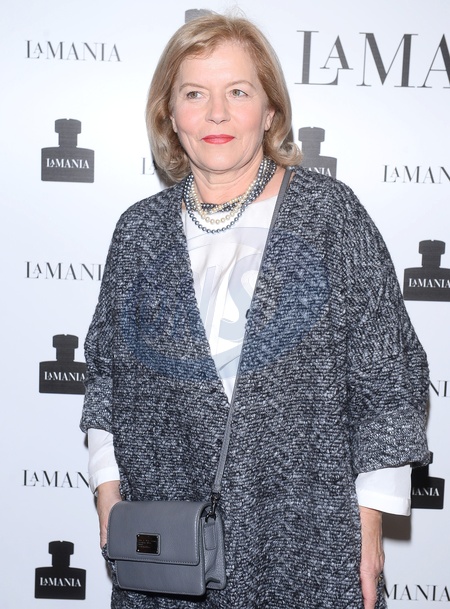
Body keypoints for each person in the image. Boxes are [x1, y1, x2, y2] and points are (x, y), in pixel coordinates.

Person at [80, 12, 430, 609]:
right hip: (170, 557)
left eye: (238, 92)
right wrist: (108, 495)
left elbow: (389, 381)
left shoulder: (329, 216)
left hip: (310, 546)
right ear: (169, 114)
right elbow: (105, 378)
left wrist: (369, 529)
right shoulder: (138, 232)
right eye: (195, 94)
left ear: (270, 112)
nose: (216, 113)